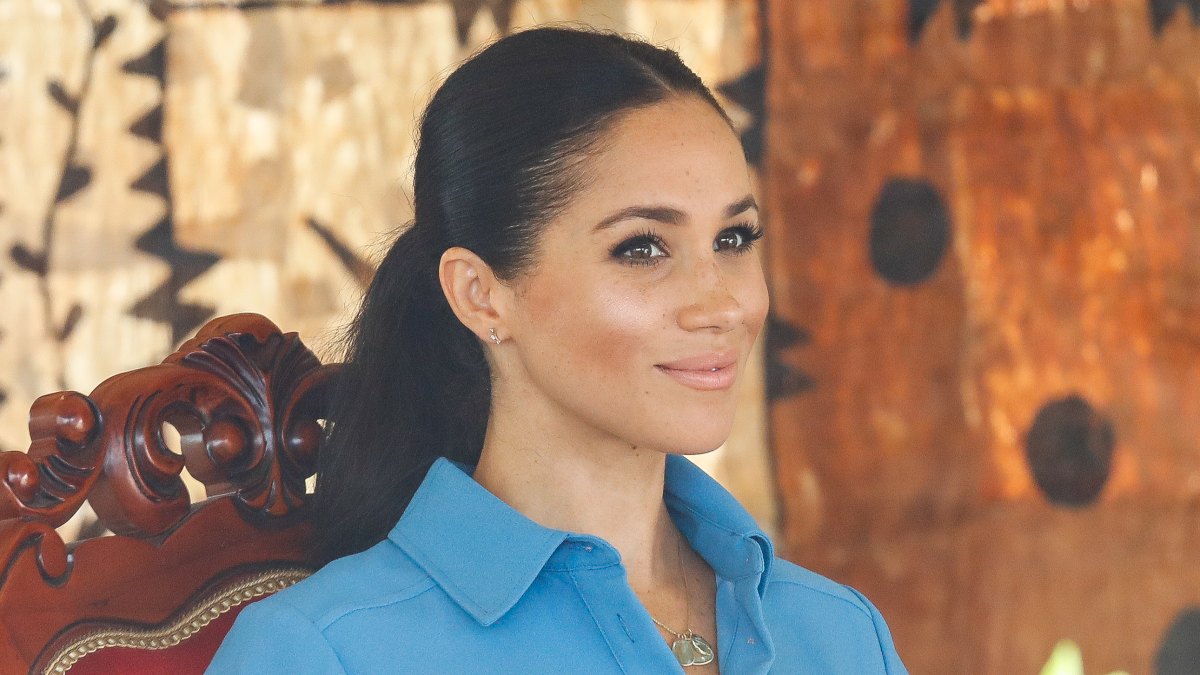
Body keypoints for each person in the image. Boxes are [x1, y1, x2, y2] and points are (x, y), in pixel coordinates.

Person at [207, 26, 907, 674]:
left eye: (734, 239)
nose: (721, 304)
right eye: (642, 248)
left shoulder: (841, 633)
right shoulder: (325, 651)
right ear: (481, 294)